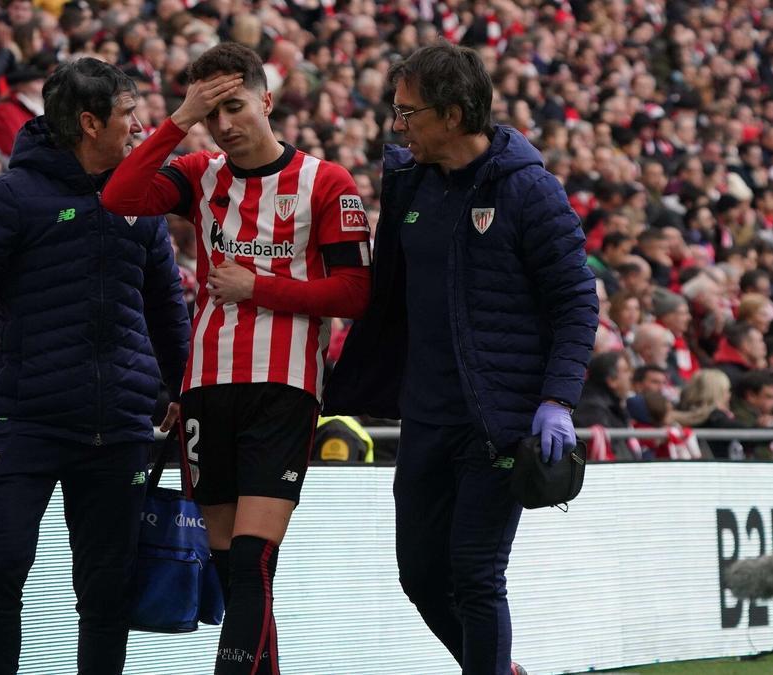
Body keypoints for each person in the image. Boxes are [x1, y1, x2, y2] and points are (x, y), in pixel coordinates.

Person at [0, 58, 191, 674]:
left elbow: (167, 304)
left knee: (108, 592)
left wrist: (184, 386)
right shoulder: (12, 196)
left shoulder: (143, 196)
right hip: (29, 422)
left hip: (124, 428)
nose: (139, 128)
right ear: (89, 123)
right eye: (129, 115)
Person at [323, 42, 598, 675]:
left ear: (452, 115)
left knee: (475, 575)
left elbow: (577, 301)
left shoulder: (530, 190)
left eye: (408, 112)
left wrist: (557, 401)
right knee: (420, 576)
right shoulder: (407, 183)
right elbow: (386, 293)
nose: (398, 125)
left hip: (497, 421)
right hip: (425, 416)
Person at [102, 42, 371, 674]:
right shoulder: (198, 172)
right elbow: (119, 196)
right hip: (204, 389)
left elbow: (357, 294)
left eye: (234, 106)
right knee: (230, 567)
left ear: (266, 100)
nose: (224, 124)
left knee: (253, 560)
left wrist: (261, 288)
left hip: (282, 388)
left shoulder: (325, 181)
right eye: (210, 112)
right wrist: (176, 120)